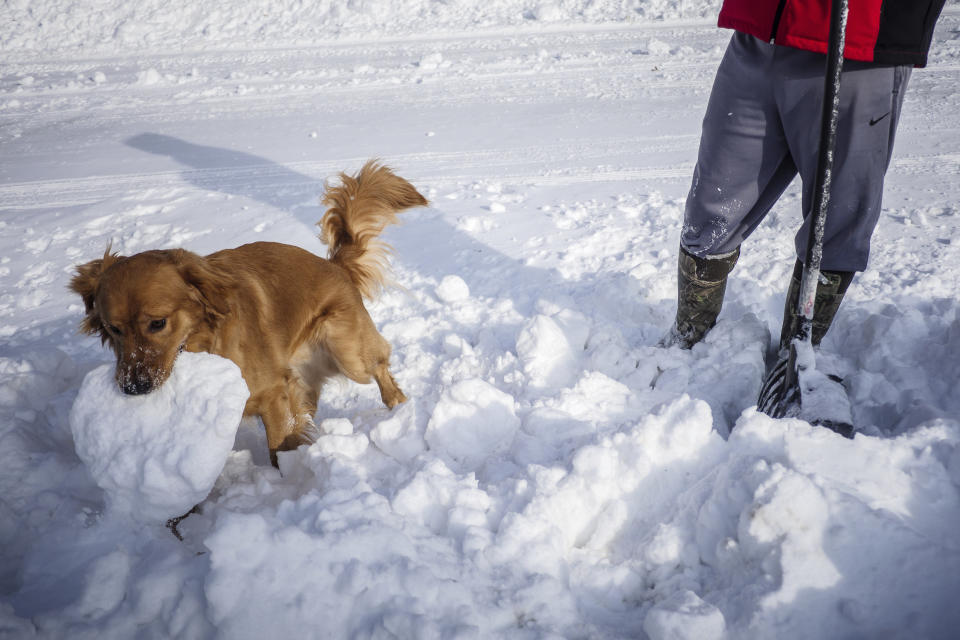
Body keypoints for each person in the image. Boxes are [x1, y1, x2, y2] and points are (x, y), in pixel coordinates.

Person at [664, 0, 947, 353]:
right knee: (711, 206)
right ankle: (689, 337)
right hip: (761, 27)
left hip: (861, 43)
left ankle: (797, 355)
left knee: (836, 222)